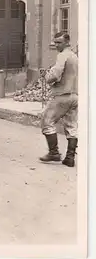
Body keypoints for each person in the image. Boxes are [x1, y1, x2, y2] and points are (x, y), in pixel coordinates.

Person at [39, 32, 78, 167]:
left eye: (59, 42)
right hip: (75, 96)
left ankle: (54, 152)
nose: (56, 45)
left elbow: (54, 75)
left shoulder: (62, 56)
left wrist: (46, 75)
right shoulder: (74, 56)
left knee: (46, 120)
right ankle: (70, 157)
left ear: (67, 42)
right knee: (71, 126)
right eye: (55, 42)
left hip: (62, 95)